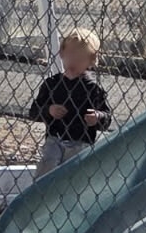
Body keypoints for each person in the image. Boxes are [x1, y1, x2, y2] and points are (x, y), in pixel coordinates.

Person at [29, 28, 112, 177]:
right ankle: (41, 192)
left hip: (81, 140)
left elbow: (107, 117)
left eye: (80, 59)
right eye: (70, 56)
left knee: (73, 173)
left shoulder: (93, 88)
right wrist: (49, 110)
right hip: (55, 138)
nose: (73, 62)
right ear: (61, 53)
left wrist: (97, 117)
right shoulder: (52, 84)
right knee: (47, 166)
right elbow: (34, 111)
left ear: (91, 61)